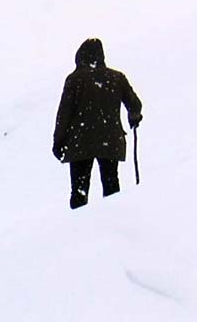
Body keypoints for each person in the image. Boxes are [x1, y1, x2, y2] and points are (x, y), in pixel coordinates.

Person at [52, 38, 143, 209]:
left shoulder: (74, 80)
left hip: (80, 142)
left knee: (79, 189)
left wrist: (58, 142)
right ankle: (114, 222)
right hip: (110, 141)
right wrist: (134, 115)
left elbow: (64, 114)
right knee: (111, 185)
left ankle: (78, 227)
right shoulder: (117, 78)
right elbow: (135, 104)